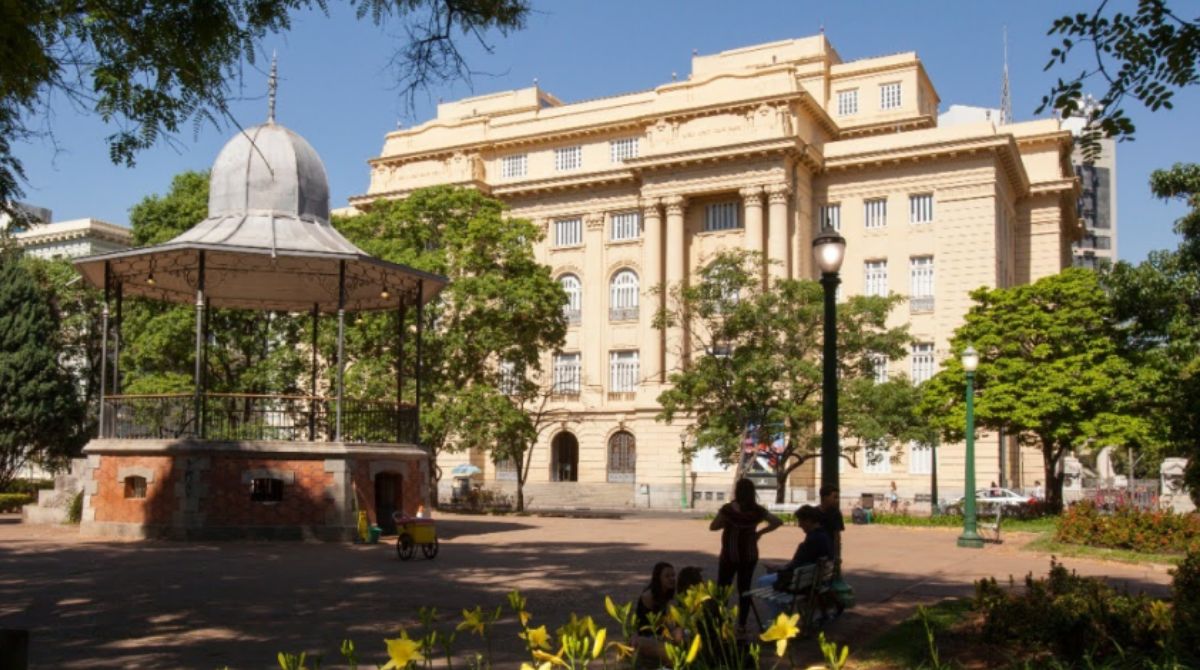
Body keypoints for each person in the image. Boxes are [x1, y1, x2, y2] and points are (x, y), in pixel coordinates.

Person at [710, 478, 782, 629]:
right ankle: (742, 624)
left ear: (737, 491)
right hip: (749, 555)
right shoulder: (757, 511)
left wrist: (726, 523)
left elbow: (713, 526)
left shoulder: (728, 510)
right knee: (745, 589)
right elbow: (777, 521)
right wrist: (760, 532)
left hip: (730, 555)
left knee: (723, 589)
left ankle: (720, 622)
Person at [755, 505, 834, 620]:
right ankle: (780, 613)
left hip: (801, 583)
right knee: (770, 577)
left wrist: (777, 567)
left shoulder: (811, 541)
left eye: (800, 521)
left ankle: (778, 617)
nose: (799, 525)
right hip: (814, 580)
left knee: (762, 581)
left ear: (809, 521)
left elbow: (794, 567)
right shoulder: (824, 536)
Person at [632, 562, 676, 663]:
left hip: (660, 633)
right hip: (647, 636)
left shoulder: (667, 592)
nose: (672, 578)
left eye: (673, 575)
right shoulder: (649, 596)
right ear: (658, 578)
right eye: (667, 576)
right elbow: (655, 623)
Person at [818, 485, 844, 569]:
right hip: (817, 550)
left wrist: (837, 555)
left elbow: (837, 536)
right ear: (825, 497)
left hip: (829, 551)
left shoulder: (835, 514)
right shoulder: (814, 513)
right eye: (835, 497)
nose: (837, 500)